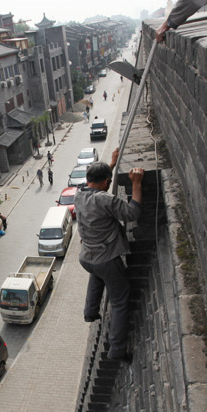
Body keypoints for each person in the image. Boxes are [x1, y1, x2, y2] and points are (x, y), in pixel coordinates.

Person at [74, 150, 144, 362]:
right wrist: (136, 184)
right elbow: (131, 214)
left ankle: (90, 311)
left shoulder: (79, 194)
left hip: (87, 256)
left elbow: (99, 183)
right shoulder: (104, 200)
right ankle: (117, 350)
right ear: (106, 182)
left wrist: (111, 164)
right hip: (106, 258)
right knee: (120, 300)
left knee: (97, 273)